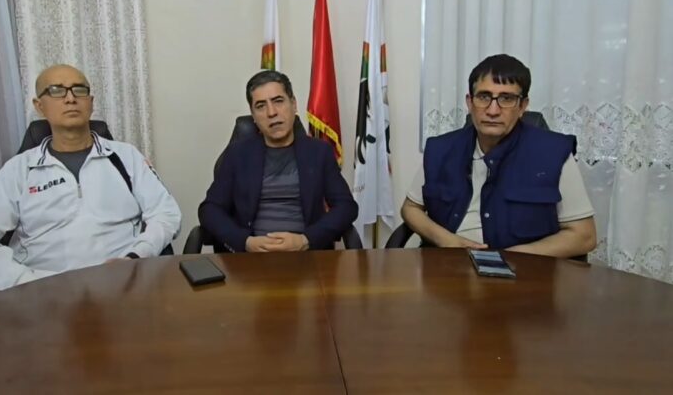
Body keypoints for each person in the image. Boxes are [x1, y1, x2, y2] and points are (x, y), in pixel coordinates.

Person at [0, 64, 181, 290]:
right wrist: (25, 280)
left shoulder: (125, 156)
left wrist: (136, 256)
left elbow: (166, 214)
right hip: (44, 294)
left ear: (91, 102)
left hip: (121, 285)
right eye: (56, 91)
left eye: (79, 90)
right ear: (40, 106)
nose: (70, 98)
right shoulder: (19, 169)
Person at [401, 54, 596, 257]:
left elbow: (583, 236)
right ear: (470, 102)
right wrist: (445, 240)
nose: (493, 111)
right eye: (484, 97)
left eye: (507, 99)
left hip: (524, 269)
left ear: (522, 106)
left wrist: (510, 258)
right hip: (447, 264)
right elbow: (411, 208)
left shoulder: (553, 152)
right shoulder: (441, 149)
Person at [198, 70, 358, 252]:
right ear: (253, 115)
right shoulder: (237, 154)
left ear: (294, 104)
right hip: (250, 259)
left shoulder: (319, 152)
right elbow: (209, 210)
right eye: (260, 106)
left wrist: (306, 240)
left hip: (306, 256)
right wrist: (245, 242)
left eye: (278, 101)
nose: (271, 112)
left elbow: (346, 207)